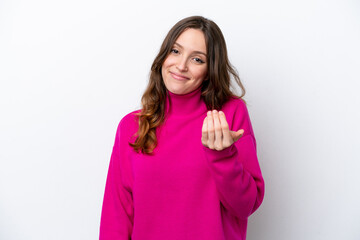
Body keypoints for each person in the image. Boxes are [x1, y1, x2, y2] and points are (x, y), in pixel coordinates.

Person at [99, 16, 265, 240]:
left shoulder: (229, 115)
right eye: (175, 51)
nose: (181, 65)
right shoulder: (132, 126)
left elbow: (245, 206)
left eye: (197, 59)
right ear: (164, 55)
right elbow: (116, 216)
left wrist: (223, 156)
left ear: (209, 70)